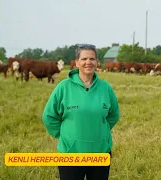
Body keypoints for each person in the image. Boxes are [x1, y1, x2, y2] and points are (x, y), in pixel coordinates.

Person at [42, 44, 120, 180]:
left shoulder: (105, 88)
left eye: (92, 59)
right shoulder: (63, 87)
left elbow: (114, 114)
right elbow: (49, 116)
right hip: (70, 154)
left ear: (97, 62)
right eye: (84, 59)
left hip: (100, 153)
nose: (88, 62)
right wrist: (65, 135)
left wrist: (101, 131)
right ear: (77, 63)